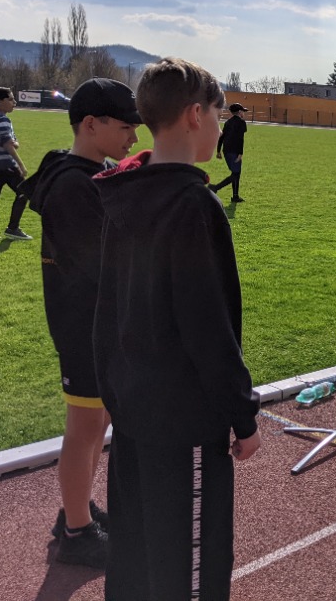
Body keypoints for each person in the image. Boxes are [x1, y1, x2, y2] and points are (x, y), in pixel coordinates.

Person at [93, 57, 261, 600]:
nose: (218, 125)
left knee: (136, 555)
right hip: (182, 421)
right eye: (216, 113)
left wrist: (114, 393)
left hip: (133, 411)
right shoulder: (192, 205)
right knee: (187, 567)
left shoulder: (124, 192)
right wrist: (242, 413)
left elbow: (104, 312)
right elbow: (208, 325)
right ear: (194, 115)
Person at [24, 78, 141, 569]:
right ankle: (76, 531)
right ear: (91, 124)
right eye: (126, 126)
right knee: (86, 425)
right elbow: (100, 263)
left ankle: (78, 510)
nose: (134, 136)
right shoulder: (75, 184)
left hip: (97, 325)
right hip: (84, 326)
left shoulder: (91, 173)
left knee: (98, 421)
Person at [0, 86, 32, 240]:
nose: (14, 102)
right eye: (10, 99)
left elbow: (12, 142)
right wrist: (21, 165)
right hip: (6, 165)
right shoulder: (2, 120)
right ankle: (13, 228)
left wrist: (14, 142)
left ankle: (13, 228)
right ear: (0, 101)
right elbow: (9, 144)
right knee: (25, 192)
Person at [209, 102, 248, 202]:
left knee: (236, 173)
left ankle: (235, 196)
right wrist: (240, 153)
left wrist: (218, 150)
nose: (244, 113)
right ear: (239, 112)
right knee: (235, 174)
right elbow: (240, 139)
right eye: (243, 111)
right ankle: (215, 187)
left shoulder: (228, 122)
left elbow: (221, 137)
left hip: (226, 151)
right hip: (235, 151)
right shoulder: (241, 123)